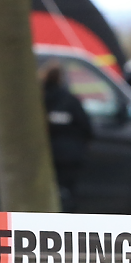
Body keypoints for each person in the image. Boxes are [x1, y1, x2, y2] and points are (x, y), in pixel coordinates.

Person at [40, 60, 93, 212]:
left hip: (47, 156)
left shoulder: (39, 101)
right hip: (71, 156)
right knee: (69, 193)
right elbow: (87, 127)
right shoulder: (70, 101)